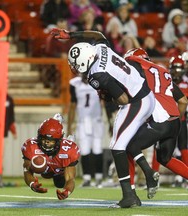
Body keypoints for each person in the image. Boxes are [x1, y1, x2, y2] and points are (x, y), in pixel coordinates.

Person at [51, 28, 155, 208]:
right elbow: (98, 35)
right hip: (144, 92)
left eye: (75, 64)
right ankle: (146, 174)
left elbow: (123, 99)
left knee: (117, 146)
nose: (74, 68)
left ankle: (129, 196)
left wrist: (107, 95)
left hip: (136, 101)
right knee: (125, 143)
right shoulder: (100, 48)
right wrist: (71, 35)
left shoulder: (95, 74)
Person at [123, 48, 188, 198]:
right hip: (175, 121)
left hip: (161, 120)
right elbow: (183, 101)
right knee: (165, 158)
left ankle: (131, 192)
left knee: (127, 146)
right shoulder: (162, 72)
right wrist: (176, 118)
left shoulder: (138, 73)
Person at [21, 116, 80, 200]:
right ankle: (55, 121)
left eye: (51, 141)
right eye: (44, 140)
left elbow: (70, 178)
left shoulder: (69, 151)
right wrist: (32, 184)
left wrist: (67, 192)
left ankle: (67, 137)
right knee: (42, 171)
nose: (46, 144)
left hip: (59, 169)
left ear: (59, 141)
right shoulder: (31, 147)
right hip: (44, 169)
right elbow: (27, 171)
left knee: (59, 184)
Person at [67, 74, 104, 187]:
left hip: (96, 120)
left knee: (97, 149)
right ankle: (87, 178)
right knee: (84, 150)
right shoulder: (75, 84)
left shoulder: (98, 82)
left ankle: (99, 177)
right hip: (83, 121)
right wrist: (69, 126)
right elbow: (73, 105)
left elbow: (105, 102)